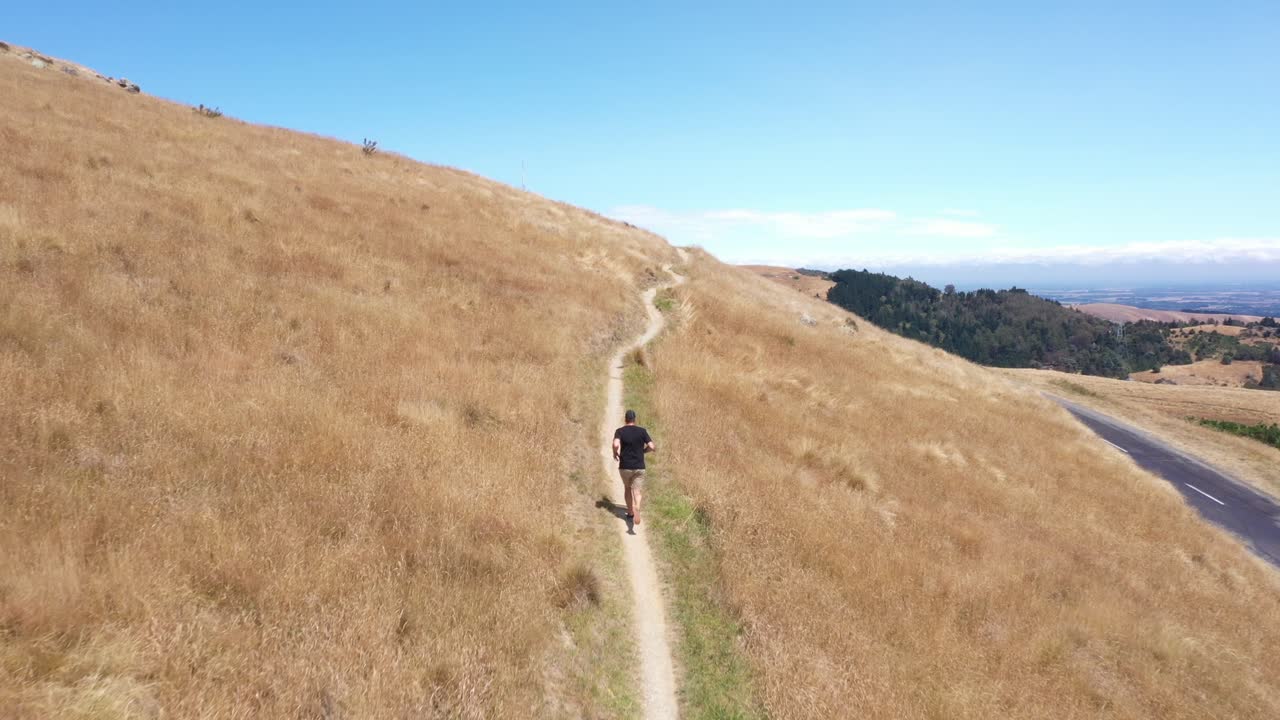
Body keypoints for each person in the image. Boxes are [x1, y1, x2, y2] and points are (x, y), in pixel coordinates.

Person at [613, 409, 655, 523]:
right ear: (634, 419)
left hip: (625, 466)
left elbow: (616, 444)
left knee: (627, 489)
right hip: (639, 467)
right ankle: (637, 506)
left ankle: (631, 513)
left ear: (625, 419)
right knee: (637, 491)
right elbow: (652, 446)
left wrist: (615, 452)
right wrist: (643, 451)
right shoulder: (642, 431)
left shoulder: (620, 431)